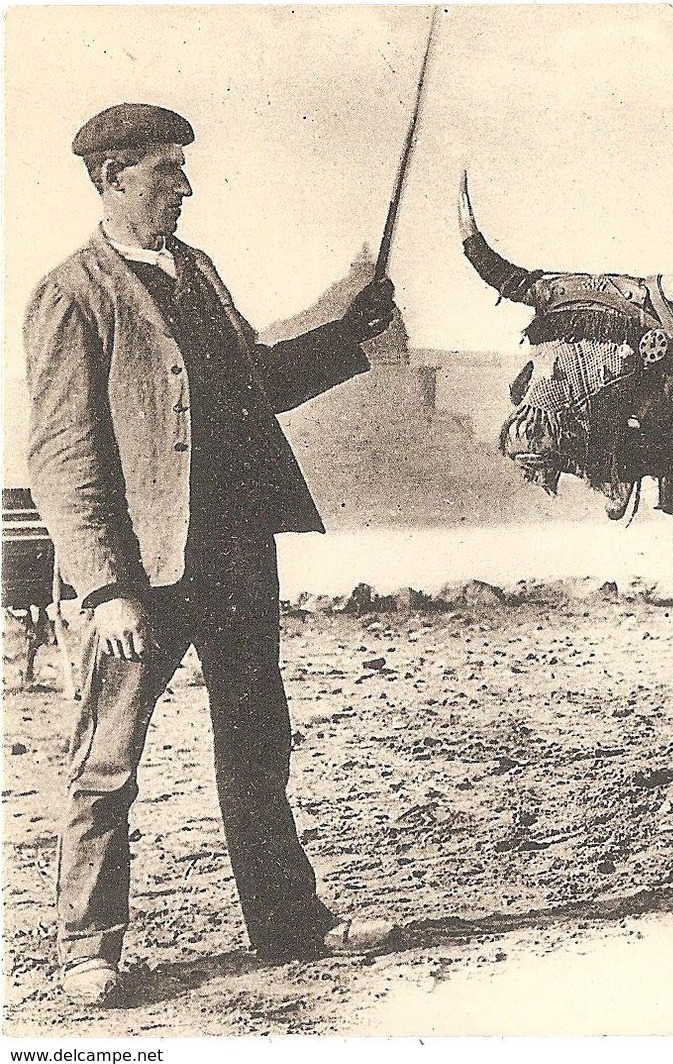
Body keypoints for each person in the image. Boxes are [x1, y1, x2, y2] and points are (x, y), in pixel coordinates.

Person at [25, 102, 400, 1008]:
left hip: (237, 559)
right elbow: (62, 453)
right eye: (165, 173)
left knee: (257, 745)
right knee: (107, 758)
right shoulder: (71, 291)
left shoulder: (197, 271)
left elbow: (251, 385)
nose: (185, 189)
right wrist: (106, 586)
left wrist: (348, 333)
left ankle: (289, 923)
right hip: (141, 577)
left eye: (183, 170)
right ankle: (87, 947)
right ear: (111, 180)